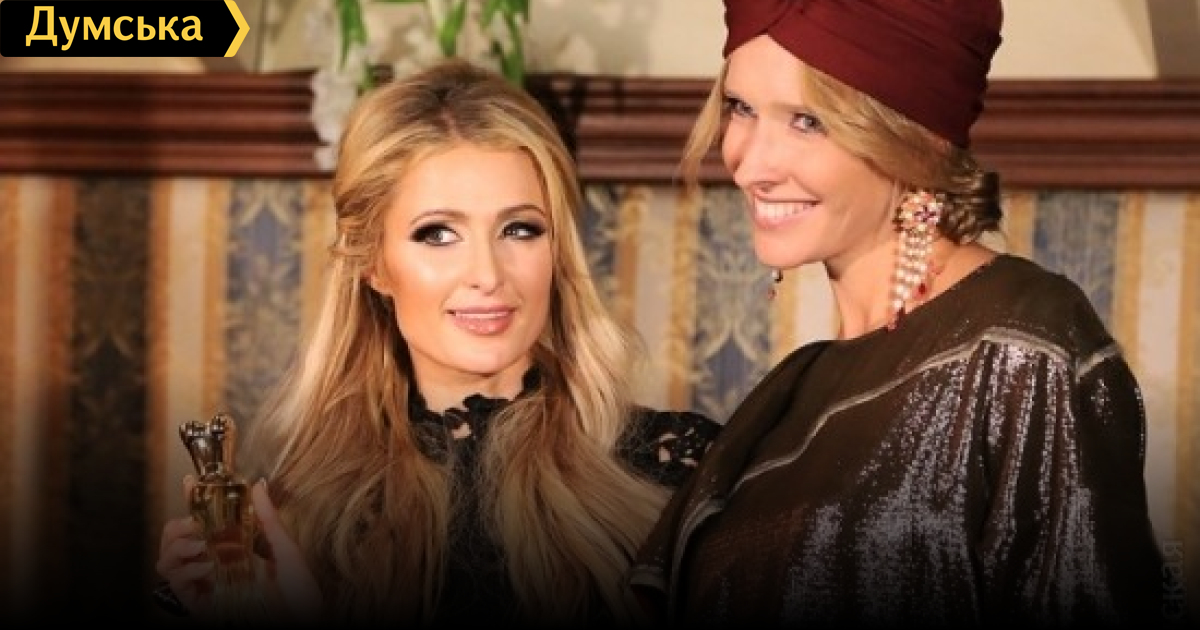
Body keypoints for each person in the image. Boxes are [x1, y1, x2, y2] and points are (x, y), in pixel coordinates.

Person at [630, 1, 1173, 628]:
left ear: (915, 140)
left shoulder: (1022, 346)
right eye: (740, 108)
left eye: (807, 121)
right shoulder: (784, 395)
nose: (750, 164)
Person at [153, 58, 720, 628]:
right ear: (374, 263)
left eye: (519, 229)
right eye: (438, 233)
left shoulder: (677, 471)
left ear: (558, 250)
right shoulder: (288, 520)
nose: (487, 274)